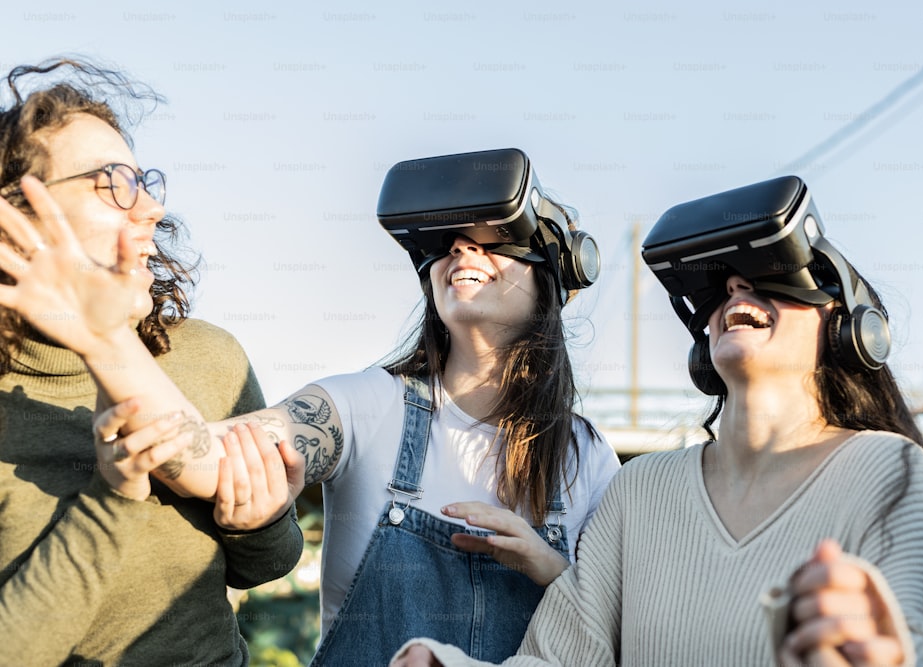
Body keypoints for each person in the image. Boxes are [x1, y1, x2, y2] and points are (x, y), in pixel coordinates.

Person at [0, 145, 622, 665]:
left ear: (550, 278)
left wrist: (548, 568)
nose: (462, 252)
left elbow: (619, 635)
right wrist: (103, 336)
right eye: (449, 244)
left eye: (490, 241)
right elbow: (210, 458)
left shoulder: (587, 458)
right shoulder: (365, 404)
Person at [390, 176, 923, 666]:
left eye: (771, 273)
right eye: (719, 284)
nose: (737, 285)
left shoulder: (884, 469)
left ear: (844, 325)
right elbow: (557, 659)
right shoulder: (640, 491)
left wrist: (889, 652)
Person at [0, 59, 304, 666]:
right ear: (17, 217)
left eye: (144, 182)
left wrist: (261, 520)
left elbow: (266, 564)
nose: (150, 211)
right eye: (113, 183)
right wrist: (112, 495)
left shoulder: (206, 355)